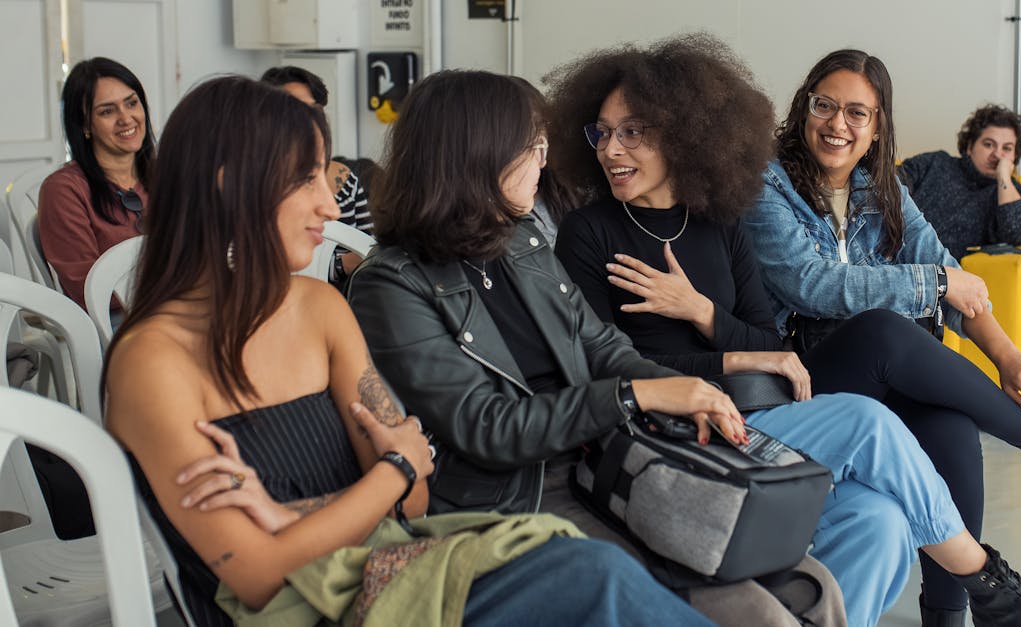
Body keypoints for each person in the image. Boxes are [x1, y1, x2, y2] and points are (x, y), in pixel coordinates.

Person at [547, 34, 1021, 627]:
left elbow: (768, 345)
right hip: (672, 426)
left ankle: (956, 612)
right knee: (873, 407)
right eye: (603, 132)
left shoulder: (722, 223)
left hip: (760, 406)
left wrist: (702, 313)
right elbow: (609, 369)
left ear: (682, 133)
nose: (612, 148)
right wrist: (730, 360)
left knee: (886, 518)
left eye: (632, 131)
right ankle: (999, 588)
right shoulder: (591, 233)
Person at [103, 75, 712, 627]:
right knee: (593, 578)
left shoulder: (318, 308)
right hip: (312, 607)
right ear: (229, 186)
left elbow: (418, 496)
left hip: (399, 558)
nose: (331, 204)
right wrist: (389, 470)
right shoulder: (153, 362)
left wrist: (297, 513)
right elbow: (261, 576)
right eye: (304, 179)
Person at [347, 68, 849, 627]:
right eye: (532, 146)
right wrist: (636, 395)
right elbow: (488, 426)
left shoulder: (521, 242)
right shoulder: (391, 285)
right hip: (518, 494)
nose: (545, 160)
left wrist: (683, 393)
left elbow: (602, 345)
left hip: (602, 455)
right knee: (754, 612)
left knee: (812, 587)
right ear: (478, 156)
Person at [744, 48, 1021, 623]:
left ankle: (950, 616)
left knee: (952, 435)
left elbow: (955, 277)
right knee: (881, 329)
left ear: (877, 129)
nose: (838, 125)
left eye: (857, 113)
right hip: (806, 373)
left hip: (882, 369)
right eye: (825, 106)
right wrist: (933, 283)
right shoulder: (765, 185)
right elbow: (812, 285)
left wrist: (1009, 356)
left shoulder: (883, 189)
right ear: (804, 109)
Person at [38, 57, 155, 309]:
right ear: (84, 124)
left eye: (132, 103)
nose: (126, 119)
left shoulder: (166, 175)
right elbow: (88, 289)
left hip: (179, 310)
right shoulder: (63, 190)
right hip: (118, 327)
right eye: (107, 111)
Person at [261, 65, 372, 282]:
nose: (331, 211)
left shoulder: (344, 177)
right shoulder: (257, 184)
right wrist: (340, 264)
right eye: (297, 110)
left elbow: (368, 246)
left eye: (316, 110)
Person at [899, 104, 1021, 259]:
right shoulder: (934, 163)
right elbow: (888, 186)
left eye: (1007, 149)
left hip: (942, 273)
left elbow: (1019, 233)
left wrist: (1003, 177)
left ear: (1015, 156)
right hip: (887, 254)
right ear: (970, 146)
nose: (997, 154)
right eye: (989, 144)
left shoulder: (1015, 194)